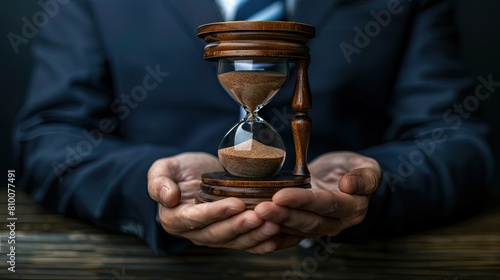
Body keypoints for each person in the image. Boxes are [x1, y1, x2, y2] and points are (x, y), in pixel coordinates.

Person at [14, 0, 494, 255]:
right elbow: (48, 136)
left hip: (354, 257)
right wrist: (154, 188)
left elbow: (458, 137)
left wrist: (378, 185)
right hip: (154, 265)